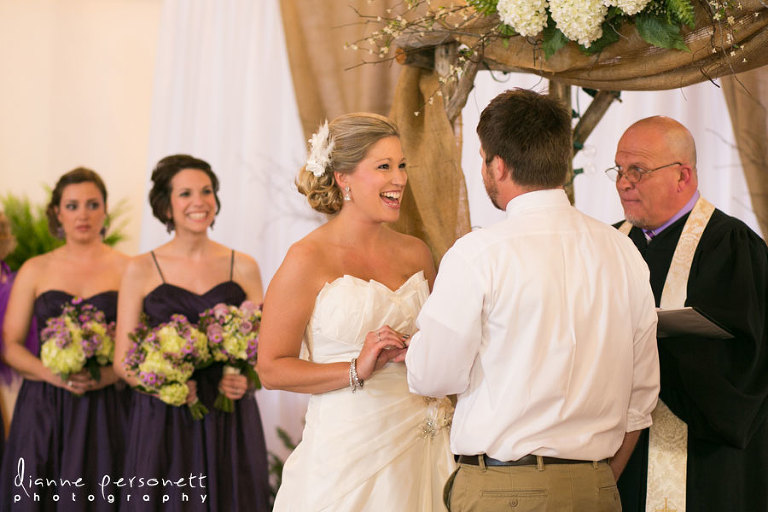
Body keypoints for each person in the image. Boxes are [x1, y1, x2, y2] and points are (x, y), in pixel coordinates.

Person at [405, 89, 660, 511]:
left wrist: (416, 346)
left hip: (503, 490)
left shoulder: (479, 253)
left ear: (497, 165)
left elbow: (432, 377)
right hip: (596, 488)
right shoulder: (622, 250)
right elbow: (642, 397)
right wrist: (595, 478)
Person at [257, 113, 456, 511]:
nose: (399, 179)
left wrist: (422, 346)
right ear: (343, 178)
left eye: (402, 166)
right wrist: (355, 368)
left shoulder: (415, 252)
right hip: (348, 455)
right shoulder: (306, 258)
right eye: (383, 167)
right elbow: (271, 368)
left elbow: (442, 343)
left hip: (427, 443)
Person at [609, 116, 768, 512]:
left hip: (702, 456)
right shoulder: (608, 245)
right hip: (617, 448)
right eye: (619, 169)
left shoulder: (731, 246)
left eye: (638, 170)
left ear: (683, 176)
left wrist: (645, 352)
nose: (624, 182)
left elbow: (748, 361)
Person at [113, 154, 270, 511]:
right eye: (185, 194)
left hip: (228, 414)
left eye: (206, 191)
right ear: (166, 206)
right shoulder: (140, 268)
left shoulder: (244, 266)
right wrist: (168, 386)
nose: (199, 201)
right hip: (163, 418)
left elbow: (264, 346)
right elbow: (123, 361)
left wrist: (247, 378)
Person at [0, 168, 131, 510]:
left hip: (109, 407)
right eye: (72, 206)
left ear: (105, 210)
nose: (83, 214)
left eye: (92, 204)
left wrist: (107, 375)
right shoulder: (35, 269)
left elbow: (140, 342)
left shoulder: (130, 268)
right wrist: (53, 375)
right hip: (44, 405)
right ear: (57, 212)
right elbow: (10, 344)